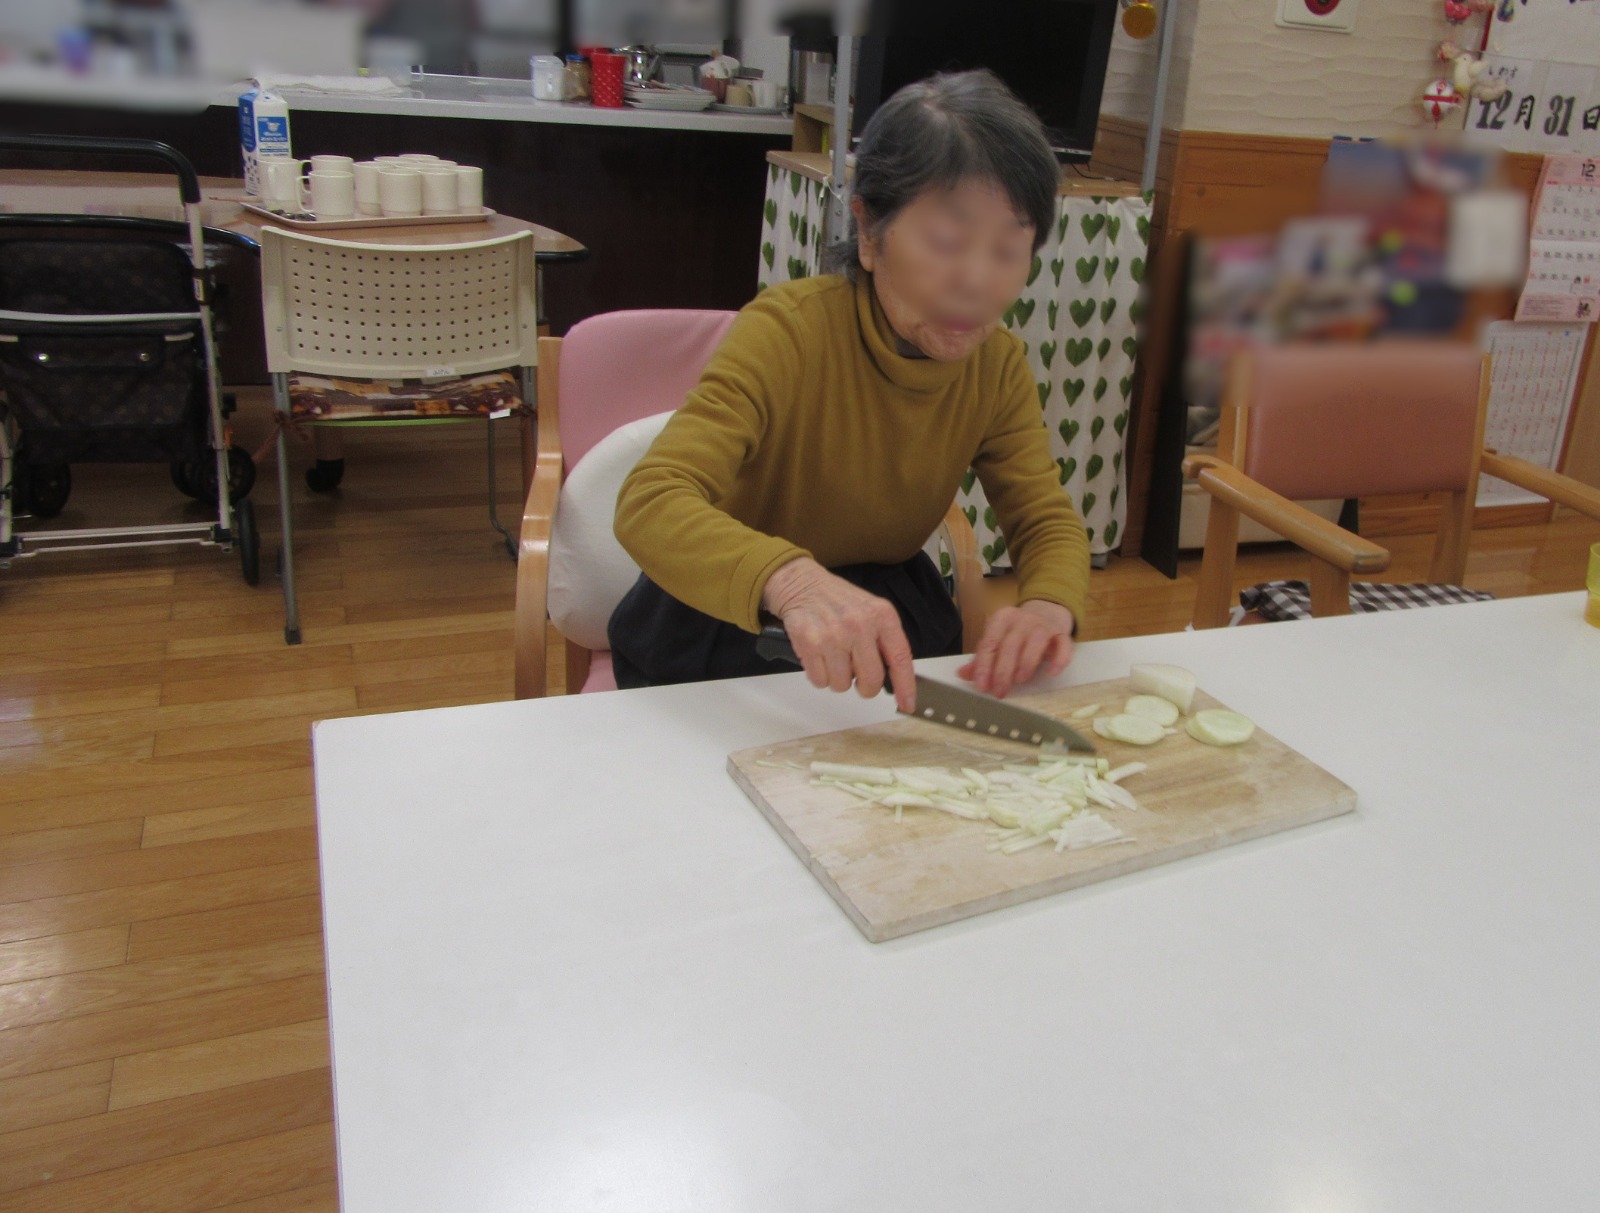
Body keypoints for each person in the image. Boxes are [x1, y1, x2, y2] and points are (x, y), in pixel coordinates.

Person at [610, 68, 1089, 711]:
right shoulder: (789, 331)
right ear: (868, 232)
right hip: (734, 614)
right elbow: (651, 501)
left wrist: (1049, 605)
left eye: (1008, 250)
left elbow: (1043, 518)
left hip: (886, 610)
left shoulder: (995, 365)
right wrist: (793, 582)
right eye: (948, 242)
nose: (977, 282)